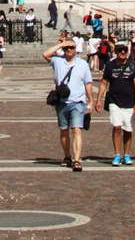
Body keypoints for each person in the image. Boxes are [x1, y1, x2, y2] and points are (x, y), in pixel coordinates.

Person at [43, 36, 92, 171]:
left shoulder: (83, 64)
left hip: (78, 101)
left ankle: (77, 159)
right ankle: (67, 156)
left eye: (72, 47)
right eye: (67, 48)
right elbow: (45, 54)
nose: (69, 50)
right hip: (62, 102)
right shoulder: (58, 61)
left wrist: (91, 101)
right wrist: (62, 44)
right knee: (64, 131)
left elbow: (88, 83)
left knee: (76, 130)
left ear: (76, 49)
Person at [101, 41, 135, 166]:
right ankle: (117, 154)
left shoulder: (133, 65)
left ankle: (127, 154)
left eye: (124, 50)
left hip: (130, 101)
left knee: (128, 130)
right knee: (117, 126)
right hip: (114, 101)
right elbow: (104, 83)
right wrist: (98, 100)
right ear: (115, 51)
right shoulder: (110, 65)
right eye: (120, 50)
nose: (123, 52)